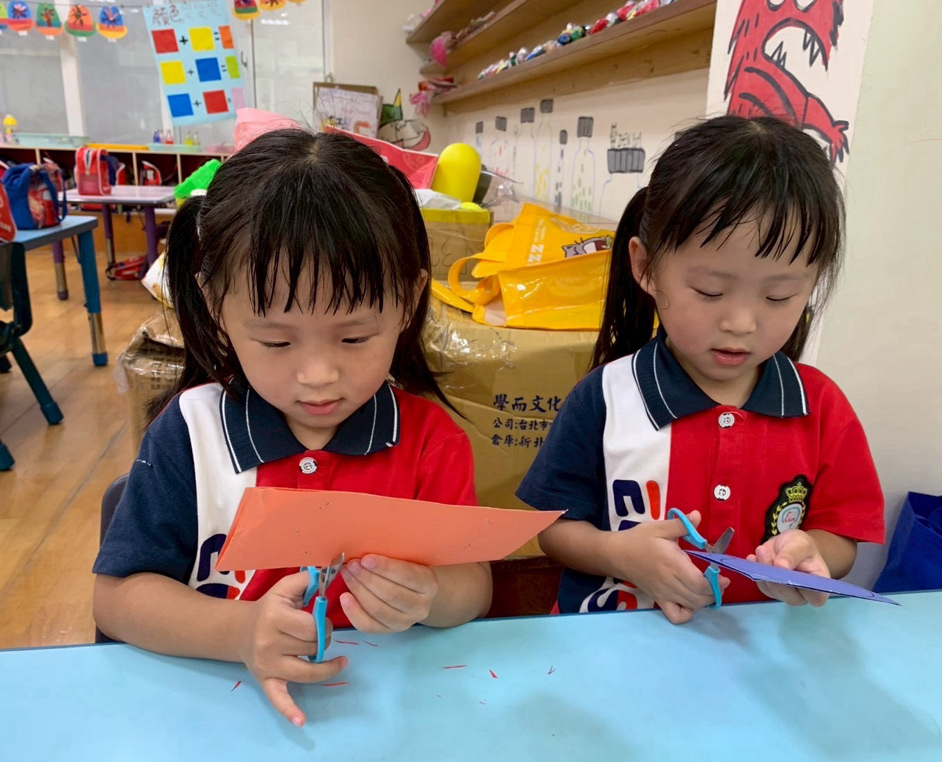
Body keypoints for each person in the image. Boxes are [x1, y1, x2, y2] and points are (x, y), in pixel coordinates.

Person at [94, 129, 492, 726]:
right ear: (214, 305)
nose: (318, 376)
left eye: (354, 338)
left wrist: (431, 596)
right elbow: (116, 598)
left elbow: (474, 586)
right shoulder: (192, 434)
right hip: (212, 716)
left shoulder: (430, 441)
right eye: (276, 342)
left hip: (382, 719)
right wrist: (237, 630)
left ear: (409, 301)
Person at [517, 116, 884, 624]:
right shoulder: (606, 397)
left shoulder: (820, 406)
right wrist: (617, 554)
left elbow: (841, 535)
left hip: (754, 647)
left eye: (780, 296)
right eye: (710, 291)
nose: (741, 322)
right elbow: (552, 528)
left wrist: (808, 554)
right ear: (645, 267)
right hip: (612, 640)